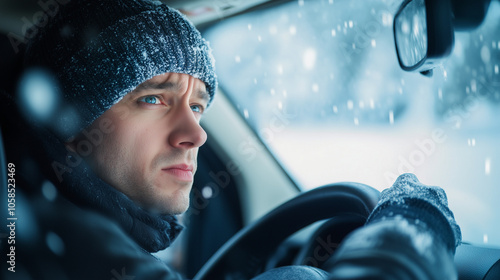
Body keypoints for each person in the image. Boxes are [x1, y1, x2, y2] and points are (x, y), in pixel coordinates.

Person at [0, 0, 461, 279]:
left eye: (197, 106)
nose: (195, 133)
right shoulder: (66, 248)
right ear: (72, 123)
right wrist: (414, 226)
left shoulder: (41, 221)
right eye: (154, 100)